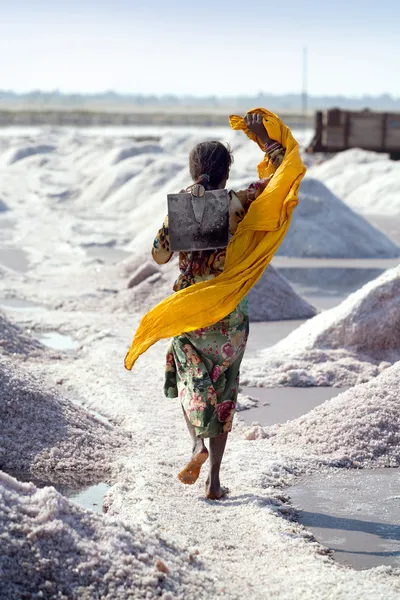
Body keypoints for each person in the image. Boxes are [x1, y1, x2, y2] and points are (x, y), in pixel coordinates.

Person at [152, 113, 286, 500]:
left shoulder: (178, 210)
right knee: (224, 391)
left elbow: (159, 256)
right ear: (225, 174)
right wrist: (263, 139)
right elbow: (280, 178)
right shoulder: (237, 202)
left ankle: (196, 445)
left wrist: (177, 225)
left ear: (193, 171)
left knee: (190, 381)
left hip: (192, 312)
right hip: (230, 314)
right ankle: (213, 482)